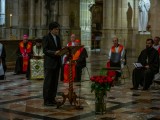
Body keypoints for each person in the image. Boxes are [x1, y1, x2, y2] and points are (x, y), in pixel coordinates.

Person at [42, 22, 62, 106]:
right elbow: (45, 50)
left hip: (57, 63)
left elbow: (59, 49)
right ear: (51, 29)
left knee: (54, 82)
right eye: (56, 29)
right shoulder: (46, 37)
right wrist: (54, 52)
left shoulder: (58, 38)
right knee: (48, 82)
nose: (57, 30)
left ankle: (52, 98)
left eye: (58, 29)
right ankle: (46, 100)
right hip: (49, 63)